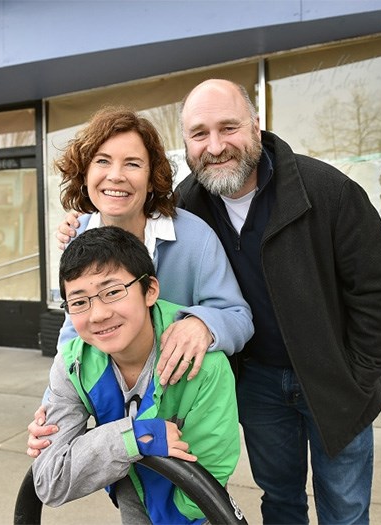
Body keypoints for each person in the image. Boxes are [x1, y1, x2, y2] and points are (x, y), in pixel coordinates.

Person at [41, 80, 381, 523]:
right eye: (199, 134)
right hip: (257, 383)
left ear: (255, 125)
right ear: (186, 145)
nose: (215, 146)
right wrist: (54, 416)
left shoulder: (323, 190)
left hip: (334, 380)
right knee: (281, 499)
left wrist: (360, 372)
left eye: (228, 128)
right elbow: (76, 334)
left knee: (344, 507)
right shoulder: (189, 201)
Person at [27, 107, 252, 455]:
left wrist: (203, 324)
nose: (115, 176)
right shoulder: (78, 237)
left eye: (132, 163)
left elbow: (238, 316)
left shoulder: (194, 237)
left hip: (183, 414)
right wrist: (50, 413)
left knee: (188, 506)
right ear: (85, 172)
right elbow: (73, 336)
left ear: (151, 178)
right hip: (119, 414)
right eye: (102, 161)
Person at [32, 225, 240, 524]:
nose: (98, 314)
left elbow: (211, 470)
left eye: (113, 292)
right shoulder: (73, 364)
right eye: (79, 301)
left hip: (195, 511)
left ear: (150, 290)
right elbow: (50, 481)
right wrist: (135, 437)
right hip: (130, 491)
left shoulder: (202, 363)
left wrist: (175, 515)